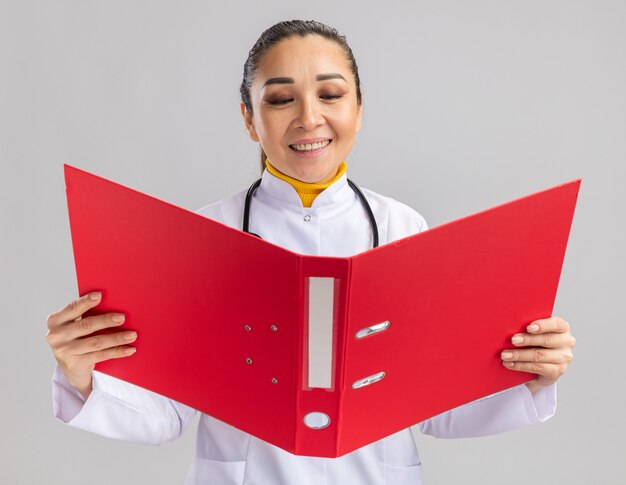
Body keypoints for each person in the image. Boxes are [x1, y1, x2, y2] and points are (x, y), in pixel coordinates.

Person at [46, 20, 576, 485]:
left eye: (330, 94)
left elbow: (433, 410)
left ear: (359, 109)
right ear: (250, 120)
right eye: (280, 99)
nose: (308, 118)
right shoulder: (203, 236)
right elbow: (167, 414)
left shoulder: (402, 228)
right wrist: (83, 376)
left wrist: (528, 371)